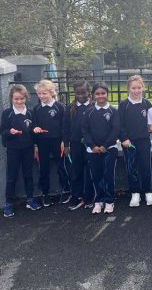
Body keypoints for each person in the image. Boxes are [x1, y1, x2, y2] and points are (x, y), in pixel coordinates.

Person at [1, 85, 42, 217]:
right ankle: (9, 203)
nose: (19, 101)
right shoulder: (7, 113)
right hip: (13, 150)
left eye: (22, 99)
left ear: (26, 98)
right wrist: (10, 132)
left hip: (28, 148)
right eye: (16, 99)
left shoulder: (31, 112)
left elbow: (34, 129)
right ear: (11, 99)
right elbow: (3, 132)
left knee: (28, 174)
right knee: (12, 176)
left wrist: (36, 131)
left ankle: (30, 199)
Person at [82, 82, 120, 214]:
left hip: (109, 149)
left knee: (108, 175)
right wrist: (92, 146)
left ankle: (109, 200)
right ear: (93, 95)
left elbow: (115, 130)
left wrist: (105, 145)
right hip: (93, 150)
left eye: (103, 93)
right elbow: (84, 130)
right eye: (97, 94)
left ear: (107, 94)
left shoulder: (113, 111)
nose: (100, 96)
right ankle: (98, 200)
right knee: (96, 176)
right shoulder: (89, 112)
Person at [118, 75, 152, 207]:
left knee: (146, 167)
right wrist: (124, 138)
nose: (136, 90)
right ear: (128, 88)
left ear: (143, 88)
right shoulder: (124, 105)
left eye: (139, 88)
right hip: (129, 142)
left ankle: (148, 191)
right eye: (133, 88)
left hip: (144, 141)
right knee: (131, 167)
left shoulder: (147, 104)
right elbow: (120, 124)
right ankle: (135, 193)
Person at [33, 79, 68, 207]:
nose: (42, 96)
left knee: (61, 166)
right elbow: (34, 125)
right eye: (39, 94)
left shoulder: (60, 107)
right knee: (43, 168)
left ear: (52, 92)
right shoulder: (36, 109)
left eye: (44, 93)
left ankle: (66, 190)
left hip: (57, 142)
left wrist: (64, 141)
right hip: (42, 142)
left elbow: (65, 126)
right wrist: (35, 132)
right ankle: (45, 193)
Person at [63, 80, 94, 210]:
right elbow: (65, 128)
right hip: (75, 144)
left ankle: (89, 197)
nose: (81, 95)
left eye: (83, 92)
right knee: (76, 171)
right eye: (78, 93)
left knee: (90, 171)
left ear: (89, 92)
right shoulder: (70, 108)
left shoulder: (93, 106)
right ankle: (77, 196)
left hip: (91, 145)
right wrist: (66, 144)